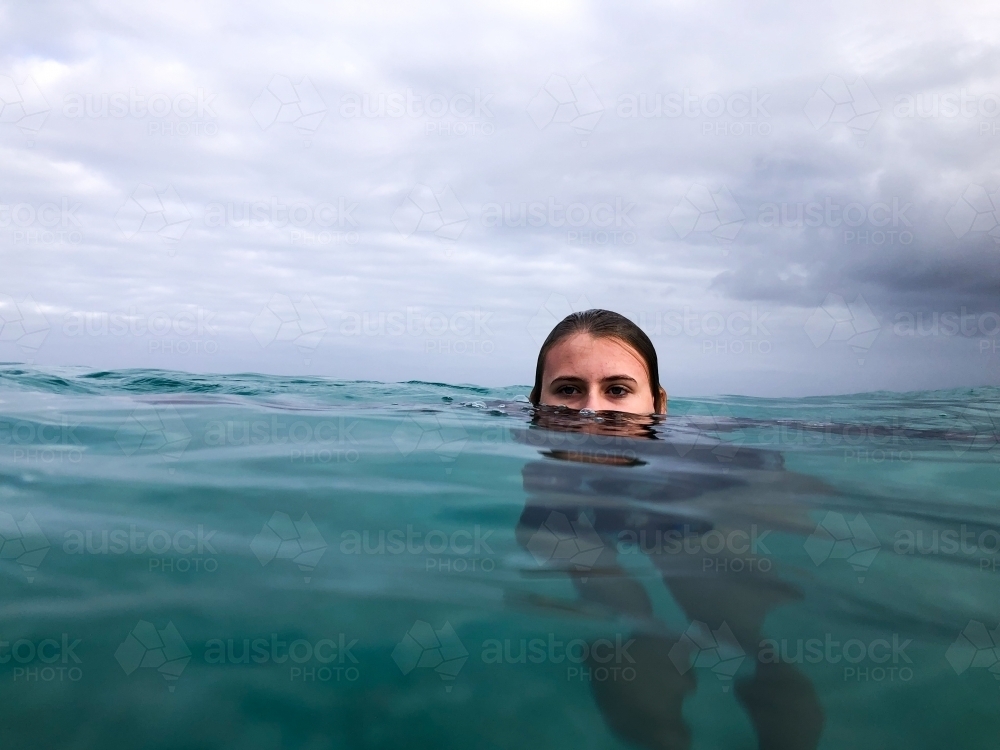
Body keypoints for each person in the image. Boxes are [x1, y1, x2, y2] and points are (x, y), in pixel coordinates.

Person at [517, 309, 824, 750]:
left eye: (618, 390)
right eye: (568, 389)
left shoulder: (702, 455)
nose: (590, 410)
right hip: (577, 512)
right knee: (626, 633)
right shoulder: (530, 444)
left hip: (686, 510)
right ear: (536, 400)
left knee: (750, 642)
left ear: (658, 404)